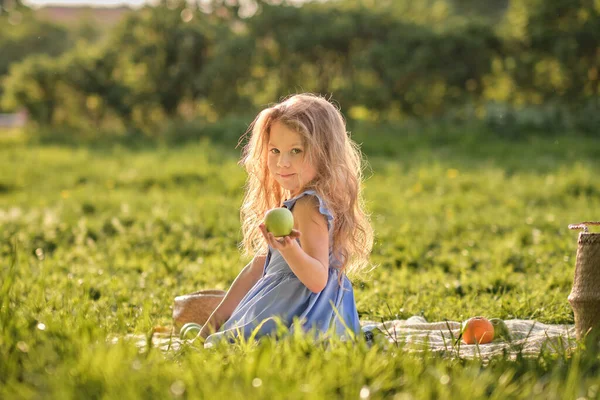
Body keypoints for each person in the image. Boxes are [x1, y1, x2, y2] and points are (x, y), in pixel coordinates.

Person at [199, 93, 374, 346]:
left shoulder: (307, 206)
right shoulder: (298, 202)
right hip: (302, 310)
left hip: (300, 315)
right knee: (218, 341)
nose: (283, 162)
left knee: (227, 346)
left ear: (324, 153)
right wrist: (210, 325)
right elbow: (256, 269)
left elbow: (316, 280)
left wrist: (290, 249)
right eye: (275, 150)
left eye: (296, 150)